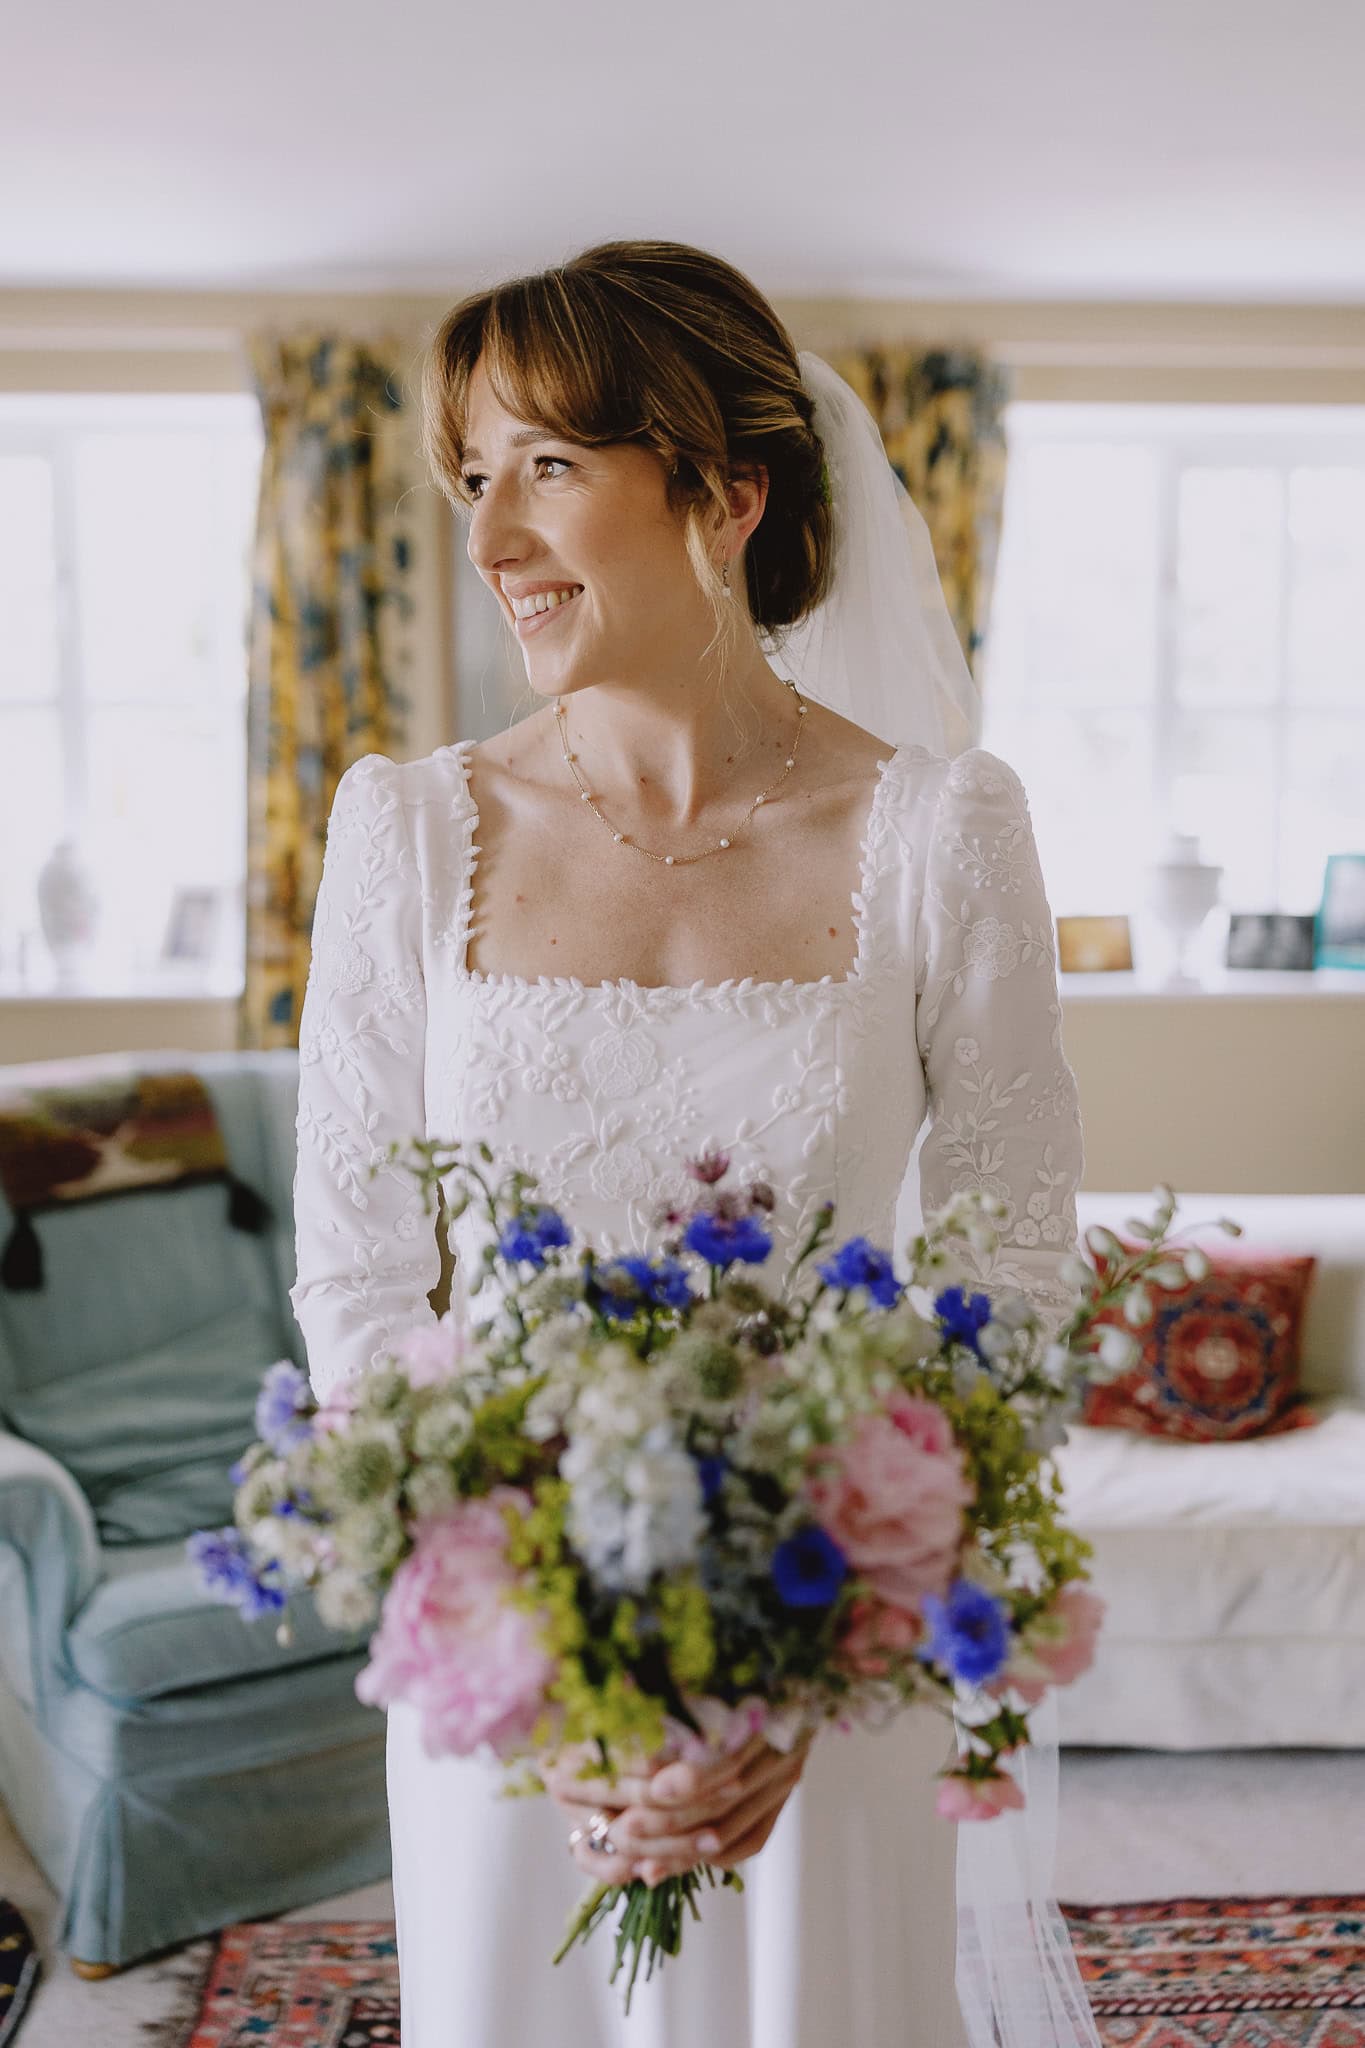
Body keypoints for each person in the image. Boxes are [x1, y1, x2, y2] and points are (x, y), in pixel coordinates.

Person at [289, 238, 1093, 2048]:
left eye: (550, 470)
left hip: (829, 1652)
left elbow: (1012, 1261)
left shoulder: (942, 831)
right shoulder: (403, 832)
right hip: (507, 1656)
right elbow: (351, 1270)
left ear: (727, 493)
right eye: (473, 475)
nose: (491, 538)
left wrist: (815, 1654)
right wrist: (518, 1633)